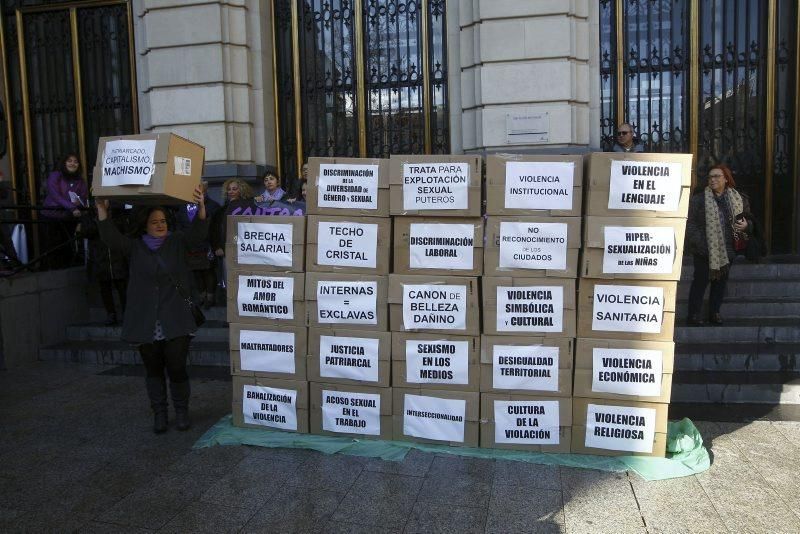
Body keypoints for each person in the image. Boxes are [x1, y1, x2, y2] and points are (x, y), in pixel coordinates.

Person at [96, 185, 208, 433]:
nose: (160, 225)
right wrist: (102, 211)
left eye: (163, 221)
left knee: (177, 367)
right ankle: (159, 413)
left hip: (176, 318)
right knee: (154, 369)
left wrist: (201, 208)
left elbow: (198, 235)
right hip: (146, 320)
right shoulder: (135, 247)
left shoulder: (177, 241)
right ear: (144, 224)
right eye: (154, 221)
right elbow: (111, 239)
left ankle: (181, 412)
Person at [685, 164, 754, 326]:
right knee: (700, 282)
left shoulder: (739, 198)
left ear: (726, 179)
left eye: (717, 176)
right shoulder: (698, 199)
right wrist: (701, 243)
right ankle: (693, 314)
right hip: (703, 250)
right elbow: (690, 224)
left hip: (728, 249)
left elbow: (750, 220)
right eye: (710, 177)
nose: (713, 179)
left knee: (720, 283)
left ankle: (714, 313)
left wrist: (746, 225)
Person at [77, 201, 132, 325]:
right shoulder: (90, 215)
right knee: (105, 287)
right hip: (100, 257)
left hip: (116, 256)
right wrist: (99, 220)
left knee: (122, 287)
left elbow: (123, 231)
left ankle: (126, 313)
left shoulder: (117, 214)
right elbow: (86, 232)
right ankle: (111, 314)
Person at [175, 181, 221, 309]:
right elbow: (179, 223)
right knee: (196, 272)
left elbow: (215, 227)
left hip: (206, 244)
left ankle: (210, 297)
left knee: (208, 271)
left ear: (205, 191)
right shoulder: (183, 206)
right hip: (189, 245)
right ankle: (202, 296)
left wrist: (215, 245)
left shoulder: (213, 206)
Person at [41, 153, 89, 268]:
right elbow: (55, 195)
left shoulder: (80, 181)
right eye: (69, 160)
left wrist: (80, 203)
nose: (73, 163)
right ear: (64, 163)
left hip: (69, 217)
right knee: (52, 246)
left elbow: (83, 196)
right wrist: (72, 207)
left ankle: (66, 269)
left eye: (75, 161)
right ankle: (51, 272)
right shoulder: (55, 176)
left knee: (67, 245)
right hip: (51, 216)